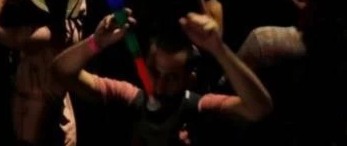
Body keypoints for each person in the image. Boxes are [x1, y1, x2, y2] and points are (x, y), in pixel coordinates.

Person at [53, 9, 272, 141]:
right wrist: (95, 43)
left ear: (190, 79)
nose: (159, 86)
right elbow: (61, 71)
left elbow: (259, 107)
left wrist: (219, 50)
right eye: (155, 72)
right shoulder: (129, 97)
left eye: (172, 77)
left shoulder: (201, 109)